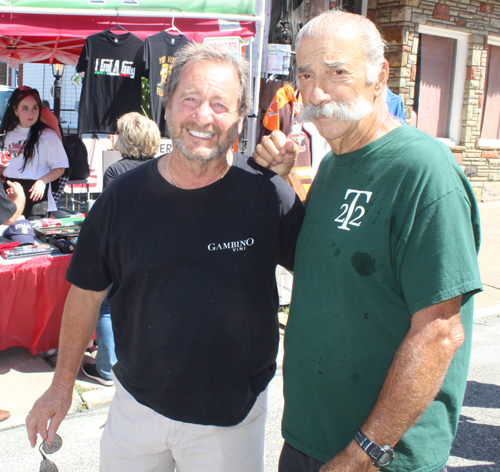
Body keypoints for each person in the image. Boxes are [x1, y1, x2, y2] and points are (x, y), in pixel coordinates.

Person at [26, 43, 304, 472]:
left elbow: (322, 274)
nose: (203, 116)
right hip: (135, 410)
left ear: (242, 114)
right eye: (189, 99)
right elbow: (85, 293)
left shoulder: (268, 194)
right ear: (167, 106)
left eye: (219, 104)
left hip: (230, 421)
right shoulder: (122, 198)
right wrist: (62, 385)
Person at [253, 10, 482, 472]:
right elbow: (324, 263)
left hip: (377, 456)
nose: (317, 92)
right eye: (306, 74)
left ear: (380, 77)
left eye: (337, 72)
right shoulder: (335, 164)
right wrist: (279, 183)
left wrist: (364, 452)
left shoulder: (423, 171)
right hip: (308, 439)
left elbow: (439, 332)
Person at [82, 112, 161, 387]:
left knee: (106, 307)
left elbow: (111, 217)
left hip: (123, 250)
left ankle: (107, 368)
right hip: (156, 250)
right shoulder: (162, 167)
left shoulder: (116, 170)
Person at [0, 87, 68, 219]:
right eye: (25, 108)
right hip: (9, 193)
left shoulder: (47, 135)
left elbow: (60, 168)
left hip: (35, 195)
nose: (31, 114)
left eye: (34, 108)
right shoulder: (6, 134)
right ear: (15, 110)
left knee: (33, 236)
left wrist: (43, 181)